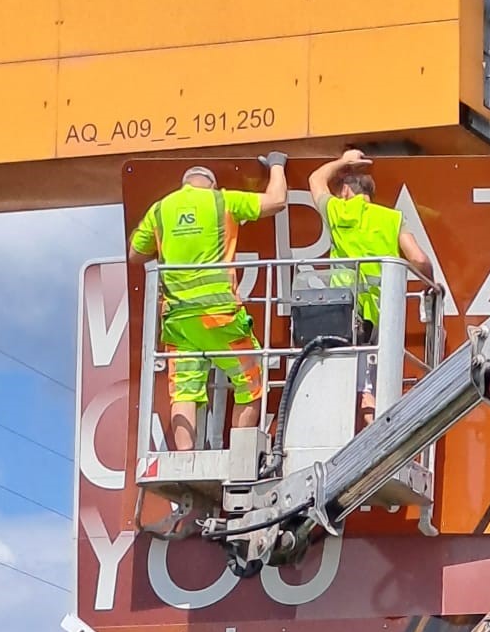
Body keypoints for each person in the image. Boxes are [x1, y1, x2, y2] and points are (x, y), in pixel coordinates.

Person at [129, 156, 290, 452]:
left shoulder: (160, 209)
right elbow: (277, 201)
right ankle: (238, 457)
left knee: (184, 392)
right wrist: (277, 164)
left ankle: (183, 461)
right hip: (219, 316)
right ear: (212, 184)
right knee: (250, 382)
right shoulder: (223, 201)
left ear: (184, 185)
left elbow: (136, 253)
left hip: (178, 320)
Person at [308, 148, 433, 428]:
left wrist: (342, 161)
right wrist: (430, 284)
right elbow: (419, 259)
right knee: (369, 387)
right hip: (378, 314)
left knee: (342, 384)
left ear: (345, 193)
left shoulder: (339, 211)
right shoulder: (391, 218)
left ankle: (352, 443)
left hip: (342, 312)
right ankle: (373, 441)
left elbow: (315, 179)